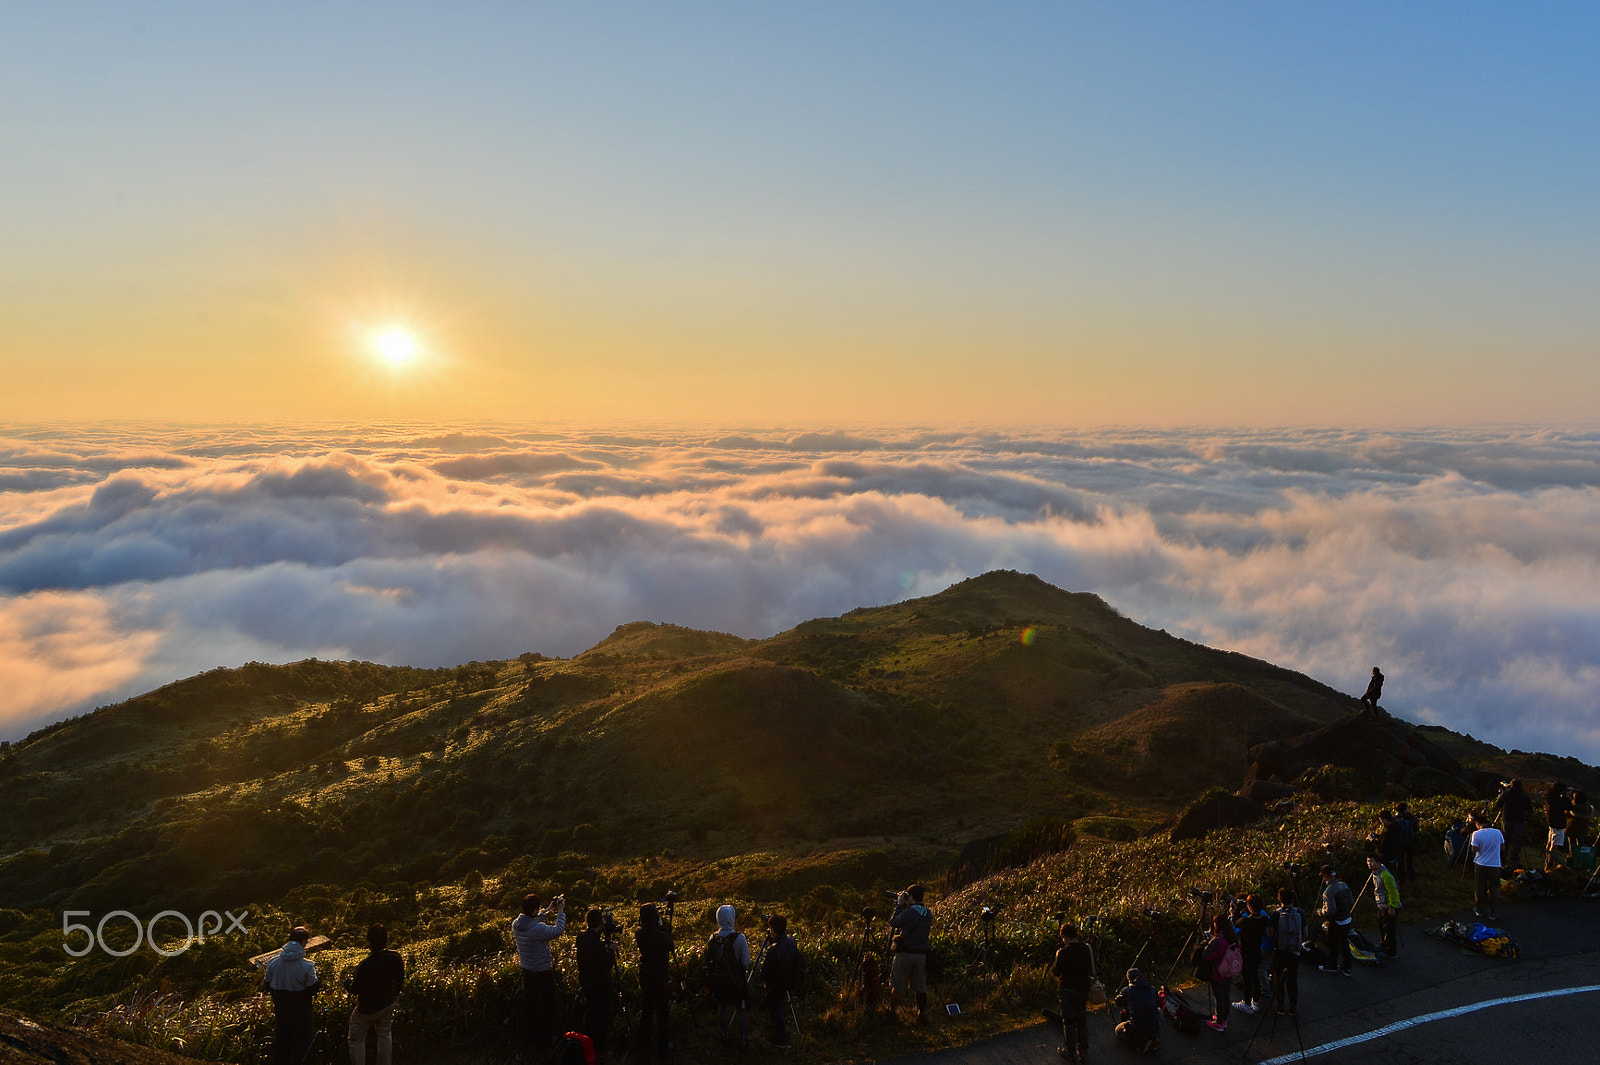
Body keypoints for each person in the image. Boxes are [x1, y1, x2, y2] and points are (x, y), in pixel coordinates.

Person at [512, 892, 566, 1049]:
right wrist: (560, 911)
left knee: (531, 1004)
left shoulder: (517, 923)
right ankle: (547, 1039)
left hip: (527, 969)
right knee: (548, 1005)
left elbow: (533, 920)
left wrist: (548, 909)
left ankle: (530, 1036)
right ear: (534, 910)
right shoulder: (537, 929)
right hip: (542, 970)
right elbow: (558, 930)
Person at [262, 926, 321, 1065]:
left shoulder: (273, 962)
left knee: (282, 1045)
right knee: (302, 1048)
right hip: (302, 1014)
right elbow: (313, 987)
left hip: (281, 1011)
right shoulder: (306, 966)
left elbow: (267, 984)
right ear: (303, 942)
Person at [346, 923, 404, 1065]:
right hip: (388, 1002)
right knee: (385, 1034)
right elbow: (400, 977)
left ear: (369, 942)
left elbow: (355, 989)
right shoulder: (395, 957)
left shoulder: (366, 964)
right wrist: (396, 993)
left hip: (367, 1008)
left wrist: (347, 983)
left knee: (356, 1039)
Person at [706, 904, 751, 1049]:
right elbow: (745, 964)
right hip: (735, 981)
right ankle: (743, 1038)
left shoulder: (713, 937)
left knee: (722, 1007)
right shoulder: (740, 938)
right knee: (740, 1009)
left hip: (718, 980)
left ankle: (723, 1034)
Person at [1050, 923, 1096, 1063]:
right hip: (1082, 989)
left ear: (1064, 936)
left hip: (1067, 990)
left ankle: (1070, 1051)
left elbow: (1056, 973)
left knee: (1069, 1022)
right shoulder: (1087, 949)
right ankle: (1083, 1051)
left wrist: (1057, 956)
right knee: (1081, 1021)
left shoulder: (1063, 952)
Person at [888, 884, 933, 1023]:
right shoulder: (928, 913)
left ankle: (893, 1012)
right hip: (921, 955)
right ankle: (922, 1013)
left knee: (898, 985)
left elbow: (893, 922)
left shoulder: (908, 913)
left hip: (905, 954)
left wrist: (900, 905)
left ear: (911, 897)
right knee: (920, 987)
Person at [575, 908, 616, 1057]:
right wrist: (611, 950)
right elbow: (606, 964)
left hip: (586, 982)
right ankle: (600, 1046)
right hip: (600, 985)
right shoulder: (596, 944)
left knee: (591, 1012)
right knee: (601, 1015)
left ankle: (588, 1041)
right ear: (600, 923)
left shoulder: (581, 937)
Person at [635, 902, 674, 1061]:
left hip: (646, 977)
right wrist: (662, 926)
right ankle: (662, 1048)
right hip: (660, 978)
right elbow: (671, 946)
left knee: (647, 1009)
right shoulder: (662, 936)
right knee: (662, 1014)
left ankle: (644, 1040)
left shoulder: (639, 934)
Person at [759, 915, 799, 1049]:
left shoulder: (773, 949)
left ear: (772, 930)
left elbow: (764, 973)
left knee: (776, 1009)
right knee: (779, 1007)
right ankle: (780, 1033)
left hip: (775, 985)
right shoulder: (791, 941)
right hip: (788, 980)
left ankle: (780, 1038)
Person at [1197, 914, 1239, 1031]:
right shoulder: (1233, 939)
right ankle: (1224, 1019)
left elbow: (1207, 956)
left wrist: (1208, 942)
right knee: (1226, 995)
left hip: (1218, 973)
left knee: (1219, 997)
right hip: (1229, 972)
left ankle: (1219, 1022)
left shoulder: (1217, 941)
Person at [1268, 887, 1304, 1017]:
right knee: (1292, 979)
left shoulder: (1275, 914)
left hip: (1279, 950)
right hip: (1294, 951)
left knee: (1279, 978)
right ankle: (1293, 1008)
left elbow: (1271, 933)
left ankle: (1280, 1006)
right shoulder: (1300, 913)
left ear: (1279, 898)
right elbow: (1305, 933)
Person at [1232, 894, 1270, 1015]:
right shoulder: (1264, 919)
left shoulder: (1246, 921)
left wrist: (1236, 909)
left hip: (1246, 953)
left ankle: (1247, 1004)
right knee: (1255, 977)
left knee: (1246, 978)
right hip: (1257, 952)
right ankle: (1256, 1002)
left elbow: (1235, 922)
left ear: (1249, 906)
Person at [1315, 866, 1354, 976]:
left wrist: (1319, 912)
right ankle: (1347, 967)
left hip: (1336, 921)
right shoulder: (1344, 885)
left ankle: (1332, 965)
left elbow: (1330, 911)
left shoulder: (1328, 891)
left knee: (1333, 944)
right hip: (1347, 919)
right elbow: (1351, 901)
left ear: (1326, 876)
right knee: (1344, 943)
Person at [1113, 968, 1161, 1054]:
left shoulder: (1127, 990)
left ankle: (1142, 1042)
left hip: (1139, 1028)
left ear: (1129, 979)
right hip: (1155, 1026)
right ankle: (1153, 1038)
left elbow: (1118, 1001)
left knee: (1118, 1031)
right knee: (1158, 1012)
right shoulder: (1153, 989)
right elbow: (1157, 1003)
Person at [1469, 811, 1504, 920]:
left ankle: (1479, 909)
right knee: (1493, 889)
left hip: (1481, 864)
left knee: (1480, 887)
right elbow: (1502, 847)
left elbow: (1474, 849)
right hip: (1494, 864)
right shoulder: (1498, 832)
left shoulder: (1476, 834)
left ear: (1477, 824)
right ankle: (1493, 912)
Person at [1492, 779, 1533, 870]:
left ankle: (1502, 858)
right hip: (1519, 820)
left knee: (1505, 839)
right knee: (1517, 841)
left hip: (1507, 819)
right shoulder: (1524, 796)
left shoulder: (1506, 794)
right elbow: (1530, 809)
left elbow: (1498, 805)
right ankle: (1513, 859)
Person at [1366, 854, 1401, 958]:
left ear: (1378, 862)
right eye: (1368, 861)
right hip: (1381, 906)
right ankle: (1383, 945)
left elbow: (1393, 892)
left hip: (1389, 907)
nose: (1369, 864)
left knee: (1389, 929)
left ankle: (1391, 951)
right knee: (1382, 927)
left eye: (1371, 862)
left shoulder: (1385, 875)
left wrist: (1392, 907)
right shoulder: (1375, 873)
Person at [1545, 783, 1572, 870]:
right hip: (1558, 824)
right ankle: (1550, 863)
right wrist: (1566, 797)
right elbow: (1568, 807)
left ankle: (1547, 860)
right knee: (1555, 844)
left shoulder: (1550, 797)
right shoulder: (1558, 800)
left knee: (1550, 842)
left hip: (1552, 823)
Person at [1394, 802, 1420, 884]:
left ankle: (1401, 880)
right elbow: (1416, 828)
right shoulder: (1410, 817)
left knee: (1400, 862)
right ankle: (1412, 878)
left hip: (1400, 843)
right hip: (1410, 842)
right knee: (1409, 861)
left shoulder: (1396, 818)